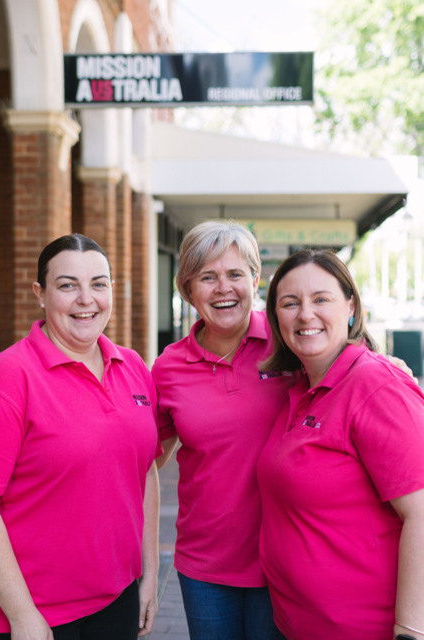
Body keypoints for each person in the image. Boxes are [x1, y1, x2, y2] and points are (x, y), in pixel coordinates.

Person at [0, 233, 161, 640]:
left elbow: (146, 471)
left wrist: (149, 572)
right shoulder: (9, 376)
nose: (86, 299)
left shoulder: (133, 366)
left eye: (98, 284)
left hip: (116, 601)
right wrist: (23, 615)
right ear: (41, 294)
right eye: (68, 285)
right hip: (35, 613)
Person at [257, 248, 424, 640]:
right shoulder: (300, 387)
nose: (305, 314)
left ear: (350, 307)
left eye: (321, 299)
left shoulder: (375, 386)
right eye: (290, 302)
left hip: (364, 629)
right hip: (297, 624)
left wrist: (410, 631)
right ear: (275, 318)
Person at [152, 220, 298, 640]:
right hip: (206, 566)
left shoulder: (290, 343)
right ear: (188, 289)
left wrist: (391, 367)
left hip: (285, 560)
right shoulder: (168, 368)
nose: (223, 288)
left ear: (255, 280)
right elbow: (145, 462)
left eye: (235, 274)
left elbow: (350, 371)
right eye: (208, 277)